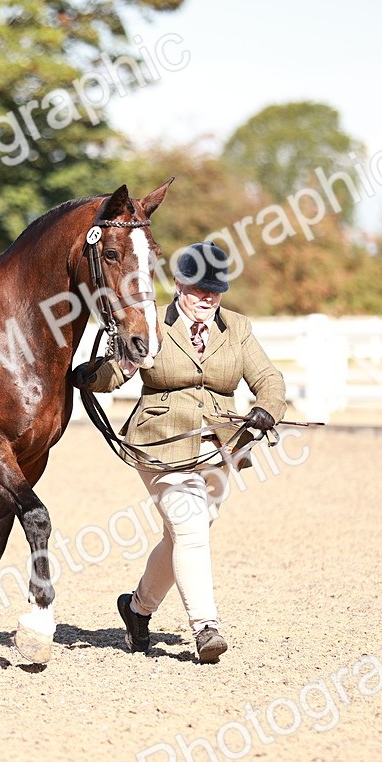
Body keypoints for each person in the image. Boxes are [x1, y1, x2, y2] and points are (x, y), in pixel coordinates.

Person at [71, 241, 286, 664]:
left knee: (182, 536)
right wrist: (91, 375)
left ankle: (137, 610)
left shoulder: (237, 328)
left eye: (216, 290)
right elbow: (121, 369)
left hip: (220, 448)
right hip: (161, 442)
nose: (208, 298)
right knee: (190, 529)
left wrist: (266, 408)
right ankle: (206, 628)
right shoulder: (154, 326)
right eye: (199, 289)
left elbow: (270, 379)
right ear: (180, 286)